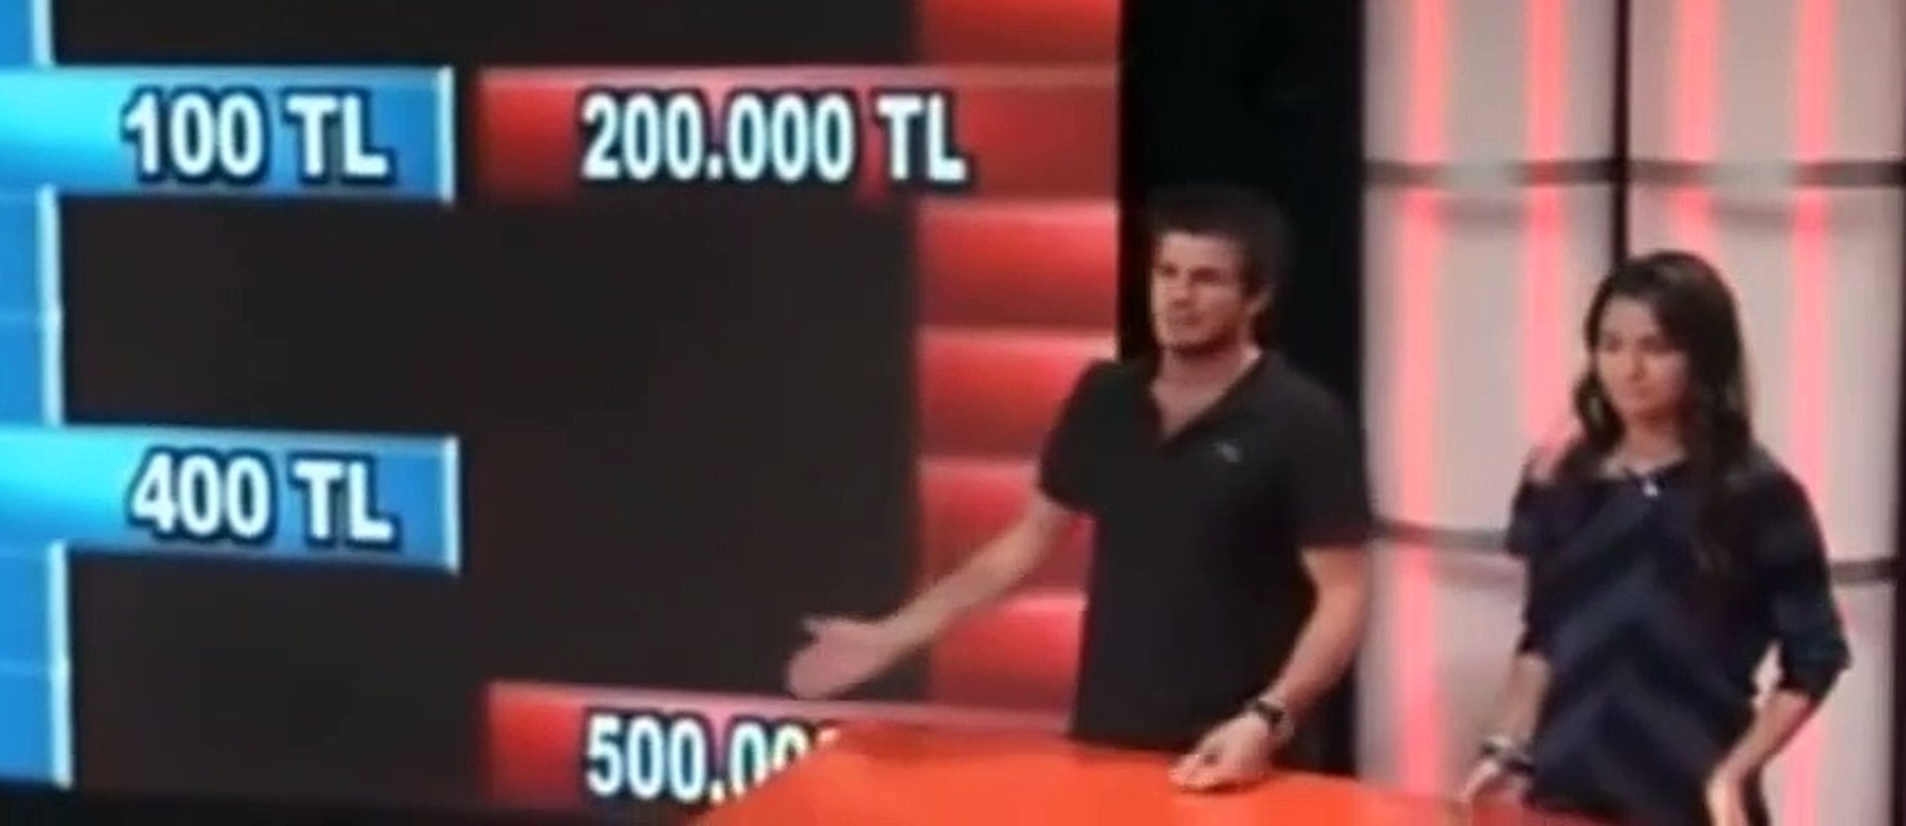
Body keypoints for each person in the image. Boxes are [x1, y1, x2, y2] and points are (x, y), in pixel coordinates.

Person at [785, 184, 1373, 791]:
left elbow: (1345, 595)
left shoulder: (1302, 421)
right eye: (1167, 273)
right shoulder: (1106, 398)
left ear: (1258, 296)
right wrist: (891, 636)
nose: (1178, 296)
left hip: (1242, 756)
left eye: (1206, 279)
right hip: (1107, 743)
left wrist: (1269, 716)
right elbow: (1020, 548)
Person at [1457, 250, 1851, 826]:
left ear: (1703, 356)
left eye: (1656, 348)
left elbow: (1816, 657)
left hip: (1690, 799)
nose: (1629, 369)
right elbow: (1544, 635)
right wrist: (1505, 748)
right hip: (1566, 792)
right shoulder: (1562, 478)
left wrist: (1733, 774)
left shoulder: (1757, 493)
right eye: (1611, 346)